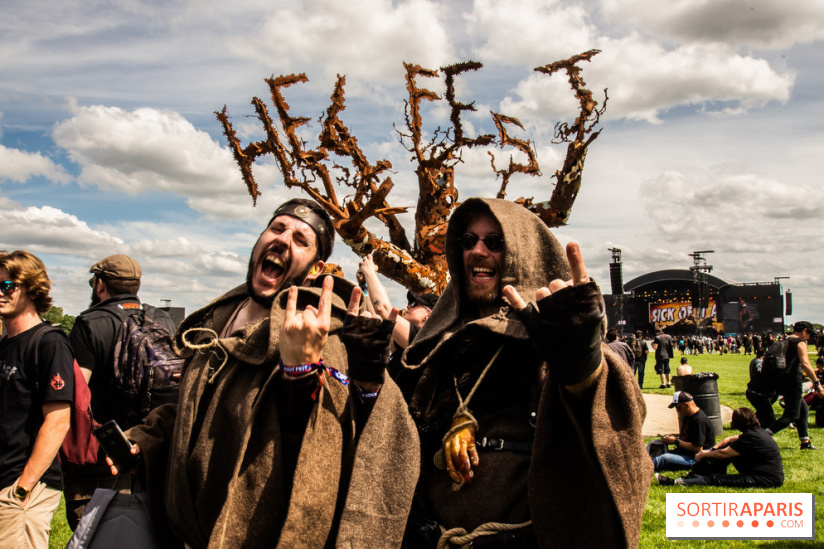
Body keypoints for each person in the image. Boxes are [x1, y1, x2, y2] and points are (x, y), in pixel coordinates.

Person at [117, 199, 419, 548]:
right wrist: (149, 436)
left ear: (315, 268)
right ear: (260, 239)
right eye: (277, 229)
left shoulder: (320, 327)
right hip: (186, 530)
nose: (283, 239)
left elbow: (320, 447)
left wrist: (301, 370)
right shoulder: (218, 317)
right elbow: (202, 408)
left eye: (301, 240)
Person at [398, 198, 650, 548]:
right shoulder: (441, 345)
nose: (478, 251)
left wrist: (582, 366)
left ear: (523, 255)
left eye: (494, 242)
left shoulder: (550, 336)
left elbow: (616, 419)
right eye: (468, 241)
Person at [63, 254, 178, 528]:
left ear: (99, 284)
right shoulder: (165, 320)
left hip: (104, 457)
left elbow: (75, 395)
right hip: (156, 450)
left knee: (96, 534)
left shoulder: (89, 323)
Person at [0, 251, 73, 549]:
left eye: (7, 286)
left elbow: (58, 421)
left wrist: (22, 488)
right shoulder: (6, 344)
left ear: (31, 288)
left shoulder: (49, 343)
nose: (0, 293)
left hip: (22, 489)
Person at [656, 407, 783, 488]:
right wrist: (719, 445)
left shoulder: (750, 438)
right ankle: (698, 472)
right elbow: (730, 440)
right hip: (763, 473)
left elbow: (725, 454)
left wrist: (705, 454)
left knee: (715, 479)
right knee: (727, 446)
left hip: (765, 479)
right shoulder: (757, 432)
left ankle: (677, 482)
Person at [766, 321, 824, 450]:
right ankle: (760, 437)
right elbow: (805, 364)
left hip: (782, 382)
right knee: (790, 416)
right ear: (804, 331)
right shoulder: (800, 343)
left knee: (803, 410)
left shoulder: (783, 341)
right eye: (809, 334)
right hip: (794, 382)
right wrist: (817, 384)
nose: (809, 337)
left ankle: (805, 442)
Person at [651, 391, 715, 472]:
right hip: (683, 453)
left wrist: (675, 441)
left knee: (663, 459)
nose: (677, 411)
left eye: (678, 407)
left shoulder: (699, 420)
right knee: (654, 445)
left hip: (695, 458)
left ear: (686, 405)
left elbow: (697, 448)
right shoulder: (688, 416)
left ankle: (642, 469)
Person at [745, 348, 777, 429]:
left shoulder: (754, 361)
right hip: (758, 393)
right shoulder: (761, 363)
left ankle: (746, 421)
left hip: (755, 390)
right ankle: (747, 423)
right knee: (769, 419)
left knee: (762, 412)